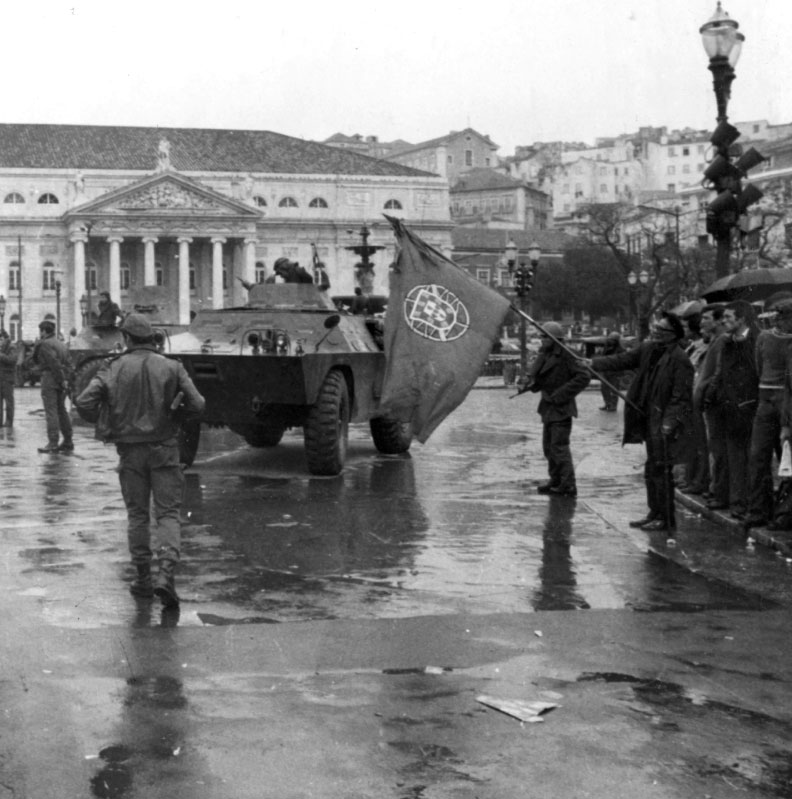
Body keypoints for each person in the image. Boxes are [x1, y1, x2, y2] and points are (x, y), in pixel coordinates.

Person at [75, 313, 205, 608]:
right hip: (165, 449)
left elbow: (84, 402)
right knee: (168, 514)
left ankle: (143, 579)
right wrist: (176, 418)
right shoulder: (172, 366)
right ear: (151, 338)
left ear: (127, 338)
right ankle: (166, 575)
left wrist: (108, 420)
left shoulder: (112, 367)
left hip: (130, 451)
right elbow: (198, 403)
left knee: (137, 515)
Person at [590, 312, 693, 532]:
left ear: (672, 335)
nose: (654, 331)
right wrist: (592, 363)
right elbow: (622, 360)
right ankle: (654, 512)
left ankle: (665, 518)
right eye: (655, 327)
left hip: (664, 423)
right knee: (651, 468)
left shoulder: (679, 359)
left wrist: (669, 423)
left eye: (660, 329)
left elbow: (681, 398)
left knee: (662, 470)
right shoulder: (648, 349)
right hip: (647, 417)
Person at [701, 300, 759, 521]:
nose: (723, 321)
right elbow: (720, 372)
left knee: (748, 458)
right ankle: (737, 503)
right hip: (728, 405)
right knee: (733, 457)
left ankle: (747, 504)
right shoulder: (727, 342)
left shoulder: (755, 340)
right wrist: (711, 395)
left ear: (741, 319)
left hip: (747, 405)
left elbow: (755, 372)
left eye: (728, 317)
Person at [525, 322, 590, 497]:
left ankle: (568, 485)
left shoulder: (568, 355)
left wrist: (561, 395)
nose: (542, 340)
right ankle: (556, 480)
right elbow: (541, 378)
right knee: (548, 447)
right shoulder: (545, 355)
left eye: (545, 337)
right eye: (541, 336)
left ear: (555, 339)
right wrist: (531, 384)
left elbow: (583, 377)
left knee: (559, 448)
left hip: (561, 407)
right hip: (548, 406)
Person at [744, 299, 792, 528]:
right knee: (758, 456)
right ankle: (758, 510)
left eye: (784, 317)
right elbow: (758, 366)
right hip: (766, 399)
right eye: (777, 316)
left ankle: (784, 513)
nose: (778, 321)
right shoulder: (764, 337)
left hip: (787, 402)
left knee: (786, 458)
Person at [33, 319, 74, 453]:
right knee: (61, 410)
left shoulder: (45, 344)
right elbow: (69, 364)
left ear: (44, 331)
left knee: (51, 411)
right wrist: (65, 380)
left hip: (50, 379)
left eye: (41, 331)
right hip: (61, 379)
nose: (40, 334)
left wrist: (60, 379)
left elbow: (53, 363)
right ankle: (68, 440)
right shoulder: (61, 344)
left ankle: (53, 442)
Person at [598, 331, 624, 411]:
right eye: (610, 339)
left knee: (614, 390)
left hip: (615, 372)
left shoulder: (620, 350)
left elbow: (622, 362)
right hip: (606, 371)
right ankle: (607, 403)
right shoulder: (606, 348)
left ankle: (613, 405)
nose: (610, 341)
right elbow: (603, 358)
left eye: (612, 340)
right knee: (604, 389)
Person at [0, 330, 16, 426]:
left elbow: (12, 360)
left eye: (1, 339)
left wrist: (1, 356)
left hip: (7, 378)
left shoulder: (11, 347)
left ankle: (9, 421)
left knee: (9, 401)